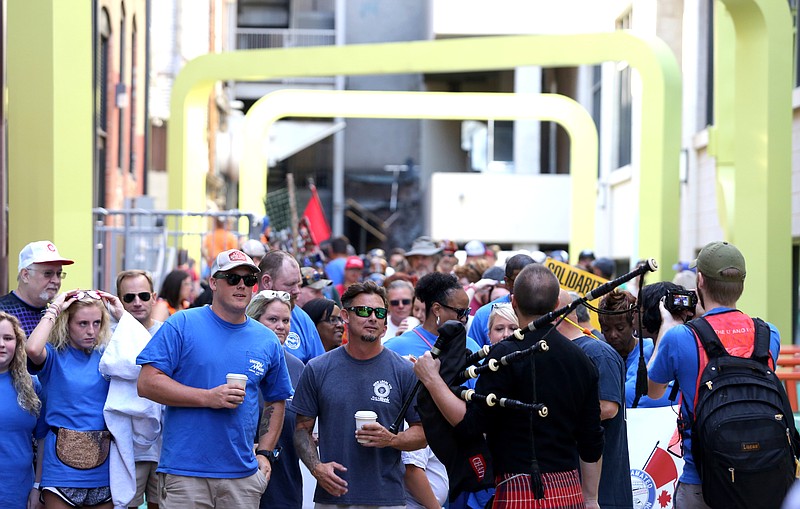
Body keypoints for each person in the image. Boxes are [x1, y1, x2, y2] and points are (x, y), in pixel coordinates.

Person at [414, 263, 604, 509]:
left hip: (516, 489)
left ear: (514, 302)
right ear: (557, 304)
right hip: (568, 491)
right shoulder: (581, 360)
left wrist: (432, 380)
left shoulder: (504, 355)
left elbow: (471, 425)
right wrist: (591, 500)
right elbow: (591, 440)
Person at [137, 249, 293, 509]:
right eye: (232, 278)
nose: (241, 285)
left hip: (242, 476)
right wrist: (209, 397)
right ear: (213, 283)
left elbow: (277, 399)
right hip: (186, 473)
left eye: (248, 279)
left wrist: (265, 453)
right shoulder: (183, 323)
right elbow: (147, 382)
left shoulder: (266, 339)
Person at [647, 241, 783, 508]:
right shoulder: (769, 333)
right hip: (763, 472)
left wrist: (668, 326)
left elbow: (653, 391)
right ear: (741, 285)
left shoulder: (680, 337)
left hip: (701, 479)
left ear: (699, 281)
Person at [292, 280, 427, 507]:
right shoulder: (318, 368)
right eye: (363, 311)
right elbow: (301, 430)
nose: (372, 317)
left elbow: (422, 434)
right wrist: (317, 468)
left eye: (379, 312)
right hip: (333, 495)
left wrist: (392, 439)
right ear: (345, 316)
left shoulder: (404, 371)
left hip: (387, 497)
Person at [26, 289, 120, 509]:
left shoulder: (108, 355)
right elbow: (32, 348)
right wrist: (55, 308)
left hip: (103, 466)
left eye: (97, 323)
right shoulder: (54, 356)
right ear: (67, 323)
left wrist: (121, 313)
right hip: (61, 469)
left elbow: (143, 356)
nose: (91, 330)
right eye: (83, 323)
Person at [557, 291, 632, 509]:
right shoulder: (563, 351)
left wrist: (554, 414)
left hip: (603, 492)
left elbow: (608, 408)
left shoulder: (598, 353)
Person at [246, 289, 306, 509]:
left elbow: (303, 421)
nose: (281, 326)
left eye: (286, 320)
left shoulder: (297, 367)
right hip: (241, 472)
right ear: (254, 320)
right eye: (273, 319)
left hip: (285, 476)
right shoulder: (240, 358)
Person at [114, 270, 164, 509]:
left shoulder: (168, 334)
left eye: (143, 296)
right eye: (129, 297)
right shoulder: (110, 335)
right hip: (125, 447)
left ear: (154, 297)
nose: (137, 302)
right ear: (119, 300)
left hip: (164, 448)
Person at [0, 311, 46, 509]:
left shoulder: (32, 386)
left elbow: (44, 439)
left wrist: (37, 486)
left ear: (18, 343)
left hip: (19, 492)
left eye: (8, 338)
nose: (1, 344)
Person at [599, 289, 674, 408]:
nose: (613, 335)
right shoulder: (600, 355)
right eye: (606, 329)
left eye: (620, 328)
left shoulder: (649, 350)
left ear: (633, 323)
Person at [385, 272, 481, 359]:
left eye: (467, 312)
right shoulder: (395, 348)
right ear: (437, 309)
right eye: (460, 312)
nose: (464, 319)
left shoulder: (471, 346)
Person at [258, 250, 325, 363]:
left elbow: (320, 371)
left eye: (299, 285)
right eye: (290, 284)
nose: (297, 291)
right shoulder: (242, 315)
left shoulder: (303, 320)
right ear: (266, 282)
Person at [0, 240, 74, 336]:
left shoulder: (58, 313)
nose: (56, 281)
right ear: (25, 275)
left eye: (59, 274)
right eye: (47, 273)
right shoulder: (3, 310)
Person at [468, 253, 535, 347]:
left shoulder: (546, 310)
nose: (524, 286)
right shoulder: (483, 314)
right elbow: (473, 355)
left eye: (530, 280)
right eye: (499, 328)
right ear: (507, 281)